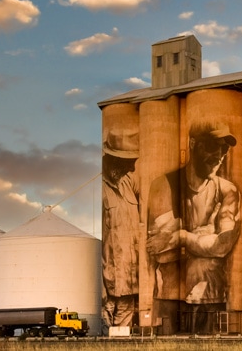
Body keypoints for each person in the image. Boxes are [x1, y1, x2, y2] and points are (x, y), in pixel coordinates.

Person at [146, 122, 241, 334]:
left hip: (209, 296)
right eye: (211, 146)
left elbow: (223, 244)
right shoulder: (164, 185)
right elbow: (161, 252)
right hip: (169, 296)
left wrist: (181, 236)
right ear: (193, 144)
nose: (218, 155)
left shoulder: (227, 191)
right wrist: (204, 235)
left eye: (224, 149)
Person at [101, 127, 140, 332]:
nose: (132, 168)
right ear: (112, 159)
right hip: (109, 288)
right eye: (129, 162)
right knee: (106, 334)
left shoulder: (127, 184)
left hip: (130, 283)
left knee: (122, 338)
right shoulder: (100, 190)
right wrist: (100, 289)